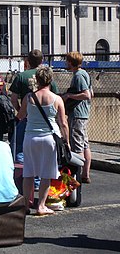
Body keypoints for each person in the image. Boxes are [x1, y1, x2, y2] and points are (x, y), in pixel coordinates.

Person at [17, 65, 70, 215]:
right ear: (50, 79)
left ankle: (26, 205)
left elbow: (21, 116)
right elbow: (63, 123)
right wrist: (67, 142)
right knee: (46, 173)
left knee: (28, 172)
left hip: (30, 136)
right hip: (49, 138)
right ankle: (41, 206)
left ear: (37, 79)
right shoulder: (57, 99)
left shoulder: (29, 97)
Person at [10, 49, 59, 160]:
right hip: (46, 120)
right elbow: (55, 97)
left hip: (28, 117)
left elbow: (13, 99)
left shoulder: (21, 76)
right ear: (42, 60)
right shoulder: (48, 77)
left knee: (19, 148)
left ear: (27, 61)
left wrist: (21, 111)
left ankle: (24, 172)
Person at [62, 51, 92, 183]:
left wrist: (69, 96)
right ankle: (85, 174)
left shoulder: (78, 76)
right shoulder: (84, 73)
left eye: (66, 60)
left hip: (78, 114)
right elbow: (91, 93)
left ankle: (77, 177)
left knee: (77, 145)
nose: (65, 63)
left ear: (70, 62)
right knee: (85, 144)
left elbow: (87, 94)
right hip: (84, 113)